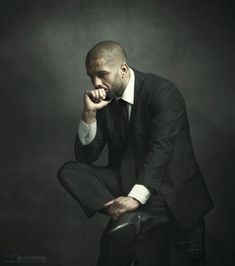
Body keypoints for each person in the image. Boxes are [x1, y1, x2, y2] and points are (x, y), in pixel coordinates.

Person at [58, 41, 213, 266]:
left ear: (123, 69)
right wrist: (88, 115)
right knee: (69, 170)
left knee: (117, 239)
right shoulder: (104, 100)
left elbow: (161, 149)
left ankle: (131, 213)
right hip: (125, 181)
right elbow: (85, 159)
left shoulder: (162, 92)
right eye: (91, 76)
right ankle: (120, 211)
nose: (96, 83)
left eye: (102, 74)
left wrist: (135, 198)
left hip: (168, 191)